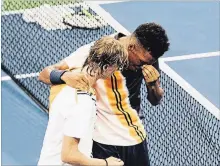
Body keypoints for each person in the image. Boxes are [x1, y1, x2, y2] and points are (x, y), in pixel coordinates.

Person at [39, 22, 170, 166]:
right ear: (132, 47)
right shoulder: (99, 52)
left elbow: (155, 100)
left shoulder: (148, 59)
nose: (143, 66)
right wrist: (64, 76)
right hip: (103, 142)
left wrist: (153, 85)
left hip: (135, 138)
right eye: (140, 61)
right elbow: (44, 74)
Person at [38, 36, 127, 166]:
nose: (116, 71)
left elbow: (45, 74)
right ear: (107, 67)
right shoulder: (82, 103)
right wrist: (106, 163)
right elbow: (68, 154)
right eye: (116, 67)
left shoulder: (65, 80)